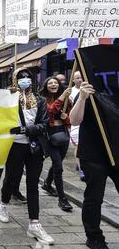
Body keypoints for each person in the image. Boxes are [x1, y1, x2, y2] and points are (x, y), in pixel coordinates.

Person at [0, 68, 54, 245]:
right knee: (12, 178)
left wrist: (26, 130)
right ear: (14, 79)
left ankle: (34, 223)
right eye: (21, 77)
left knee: (33, 183)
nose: (25, 80)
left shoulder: (40, 100)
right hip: (14, 146)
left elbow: (44, 125)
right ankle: (4, 204)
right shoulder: (8, 98)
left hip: (34, 147)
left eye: (28, 77)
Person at [70, 81, 119, 249]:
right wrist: (82, 98)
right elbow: (74, 120)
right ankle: (94, 238)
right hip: (93, 154)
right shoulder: (88, 91)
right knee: (94, 197)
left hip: (116, 151)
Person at [40, 76, 73, 212]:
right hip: (50, 135)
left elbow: (72, 117)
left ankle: (47, 184)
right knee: (58, 167)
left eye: (55, 83)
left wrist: (67, 118)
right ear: (46, 86)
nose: (53, 84)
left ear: (59, 85)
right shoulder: (42, 100)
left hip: (63, 134)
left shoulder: (67, 100)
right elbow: (50, 111)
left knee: (57, 163)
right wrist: (62, 97)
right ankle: (62, 199)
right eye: (50, 83)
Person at [69, 71, 85, 181]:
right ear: (73, 80)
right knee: (78, 146)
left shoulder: (90, 88)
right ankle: (81, 168)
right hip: (75, 123)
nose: (79, 79)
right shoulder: (70, 92)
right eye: (77, 78)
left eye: (81, 77)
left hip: (87, 122)